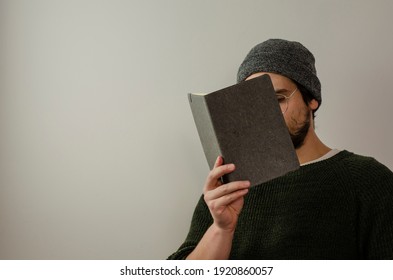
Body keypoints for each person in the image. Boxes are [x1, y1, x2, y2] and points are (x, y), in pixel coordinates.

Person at [168, 39, 393, 260]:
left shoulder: (368, 181)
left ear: (311, 98)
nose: (266, 116)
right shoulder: (228, 187)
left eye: (277, 98)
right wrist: (221, 229)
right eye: (253, 104)